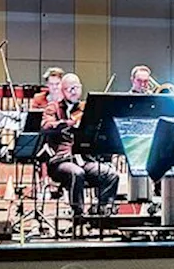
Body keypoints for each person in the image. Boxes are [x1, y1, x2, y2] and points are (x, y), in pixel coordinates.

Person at [43, 73, 120, 217]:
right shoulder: (53, 108)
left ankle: (103, 212)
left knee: (110, 174)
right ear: (62, 90)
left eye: (76, 87)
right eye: (69, 88)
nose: (73, 91)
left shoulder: (86, 109)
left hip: (83, 159)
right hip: (61, 161)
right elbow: (46, 126)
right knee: (76, 173)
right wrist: (68, 123)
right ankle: (78, 215)